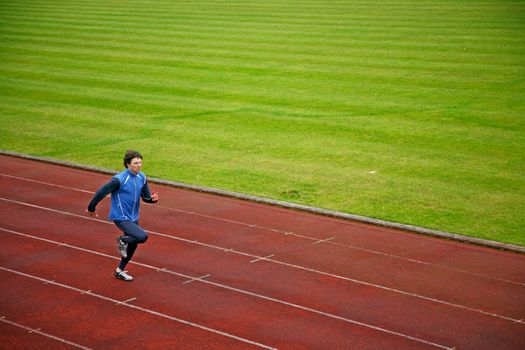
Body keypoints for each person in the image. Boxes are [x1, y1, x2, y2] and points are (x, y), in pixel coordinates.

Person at [86, 150, 159, 281]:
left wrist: (152, 199)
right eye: (136, 163)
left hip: (133, 217)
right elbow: (101, 192)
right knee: (142, 236)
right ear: (127, 164)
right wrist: (91, 207)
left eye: (140, 163)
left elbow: (146, 197)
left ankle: (120, 270)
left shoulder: (142, 177)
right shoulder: (119, 180)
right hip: (120, 217)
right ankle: (122, 240)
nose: (139, 165)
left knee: (134, 244)